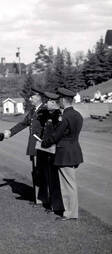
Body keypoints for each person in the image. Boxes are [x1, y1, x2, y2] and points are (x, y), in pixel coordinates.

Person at [41, 87, 83, 221]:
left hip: (64, 152)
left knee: (67, 185)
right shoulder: (77, 115)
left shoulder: (65, 117)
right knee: (70, 183)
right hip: (74, 150)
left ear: (64, 100)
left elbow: (57, 135)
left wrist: (45, 143)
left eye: (60, 100)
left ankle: (70, 213)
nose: (59, 102)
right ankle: (72, 212)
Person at [4, 87, 46, 206]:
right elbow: (23, 123)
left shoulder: (44, 110)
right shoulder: (33, 110)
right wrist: (11, 132)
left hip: (41, 146)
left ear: (38, 97)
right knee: (36, 172)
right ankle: (39, 198)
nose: (30, 99)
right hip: (34, 146)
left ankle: (44, 198)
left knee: (42, 172)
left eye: (32, 97)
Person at [36, 91, 64, 214]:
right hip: (46, 151)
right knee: (49, 179)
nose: (45, 103)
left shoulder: (59, 115)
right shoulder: (48, 114)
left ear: (53, 102)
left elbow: (58, 135)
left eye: (47, 101)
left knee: (55, 180)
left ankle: (57, 206)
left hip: (55, 152)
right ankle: (52, 204)